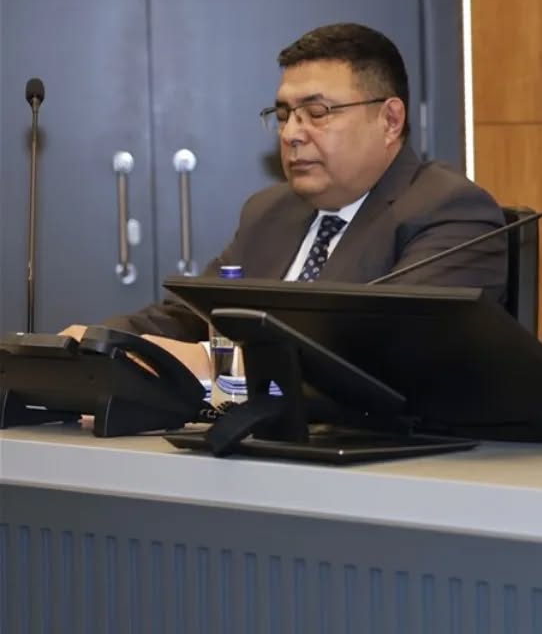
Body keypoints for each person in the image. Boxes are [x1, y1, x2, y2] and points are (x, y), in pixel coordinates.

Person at [67, 22, 507, 377]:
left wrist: (214, 363)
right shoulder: (269, 212)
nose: (292, 133)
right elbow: (191, 315)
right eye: (283, 115)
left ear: (390, 120)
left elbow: (389, 356)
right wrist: (99, 342)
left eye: (317, 113)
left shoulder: (450, 212)